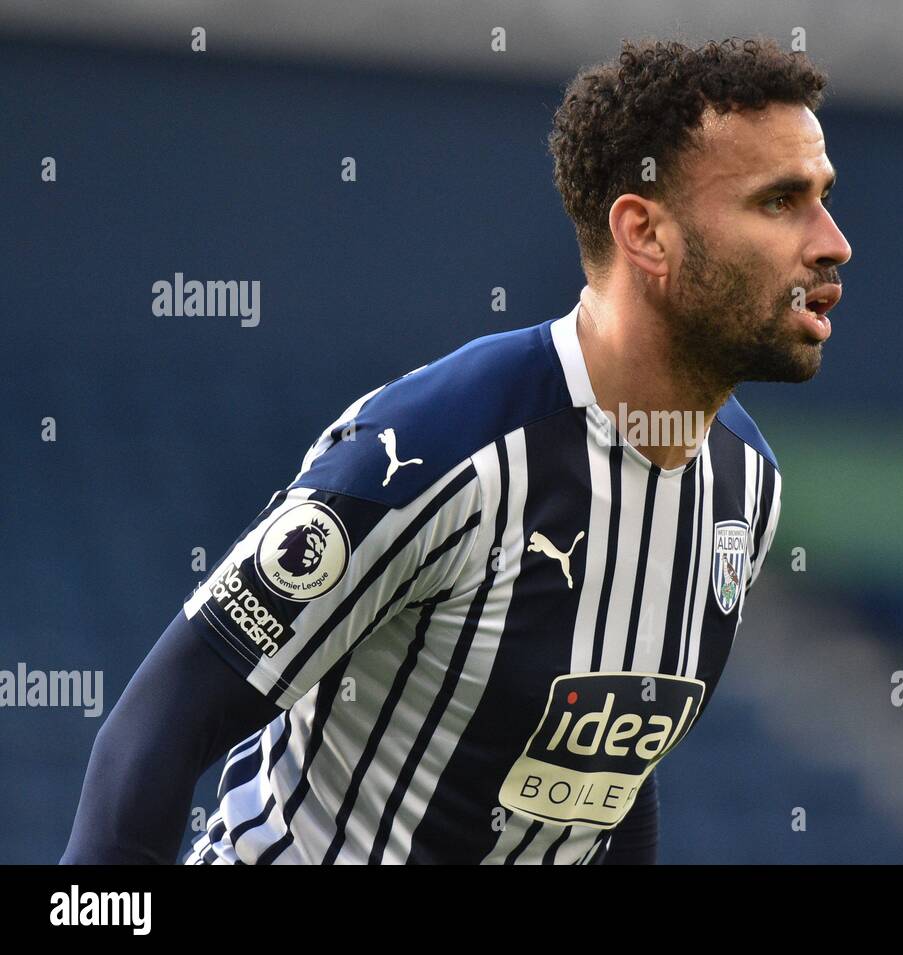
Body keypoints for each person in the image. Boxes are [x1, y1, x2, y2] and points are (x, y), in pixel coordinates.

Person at [62, 34, 850, 865]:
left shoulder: (744, 484)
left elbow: (608, 782)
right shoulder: (432, 451)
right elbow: (157, 727)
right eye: (779, 201)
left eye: (825, 197)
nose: (833, 241)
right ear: (645, 234)